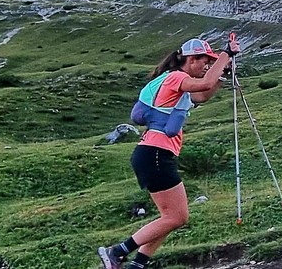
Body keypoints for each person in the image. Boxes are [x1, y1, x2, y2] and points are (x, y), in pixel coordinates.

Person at [98, 38, 234, 269]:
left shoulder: (178, 86)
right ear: (191, 60)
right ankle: (117, 252)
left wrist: (221, 75)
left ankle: (135, 265)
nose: (206, 66)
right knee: (177, 217)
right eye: (205, 61)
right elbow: (203, 84)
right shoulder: (176, 77)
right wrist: (226, 55)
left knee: (169, 218)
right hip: (156, 154)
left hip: (154, 154)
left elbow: (202, 95)